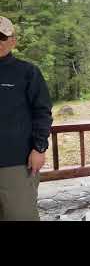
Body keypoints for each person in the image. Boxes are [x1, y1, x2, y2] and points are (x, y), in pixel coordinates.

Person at [0, 16, 53, 221]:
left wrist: (39, 148)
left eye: (2, 37)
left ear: (13, 40)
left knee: (20, 215)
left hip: (16, 163)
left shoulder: (27, 72)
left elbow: (43, 113)